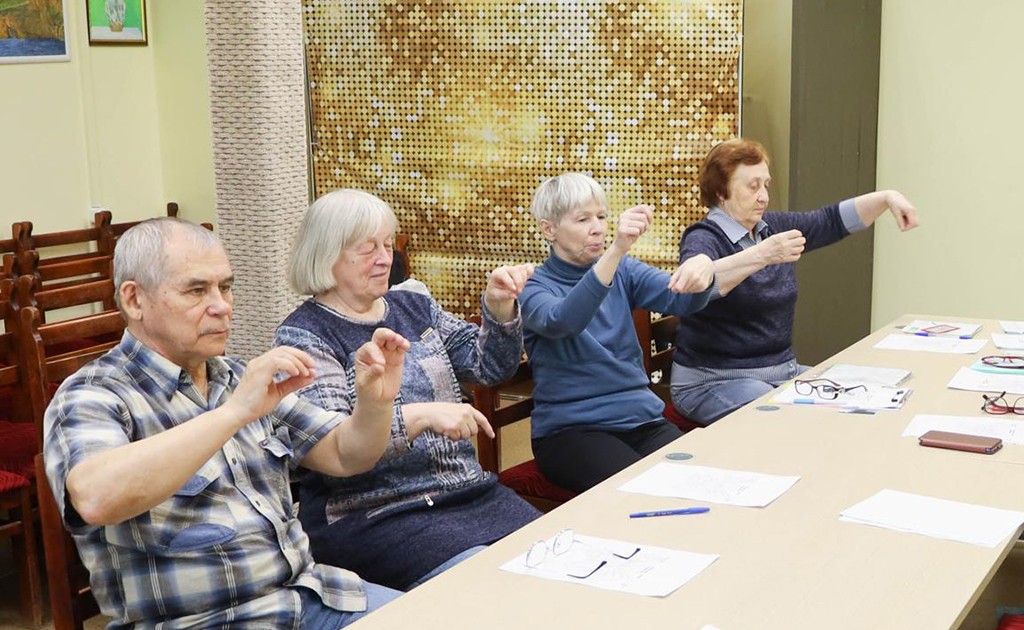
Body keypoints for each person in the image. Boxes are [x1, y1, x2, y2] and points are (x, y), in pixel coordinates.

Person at [43, 218, 410, 630]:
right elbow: (97, 497)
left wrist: (375, 404)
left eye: (226, 286)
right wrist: (235, 411)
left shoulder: (232, 375)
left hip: (306, 599)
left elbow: (345, 454)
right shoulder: (93, 397)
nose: (222, 306)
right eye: (197, 290)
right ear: (134, 299)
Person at [275, 189, 541, 591]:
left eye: (387, 245)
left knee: (556, 556)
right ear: (326, 253)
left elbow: (489, 368)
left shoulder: (412, 306)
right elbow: (333, 441)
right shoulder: (304, 335)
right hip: (376, 515)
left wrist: (499, 306)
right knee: (496, 587)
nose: (386, 259)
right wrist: (421, 417)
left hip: (465, 494)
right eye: (368, 249)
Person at [670, 138, 919, 425]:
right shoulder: (703, 237)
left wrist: (886, 198)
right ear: (721, 191)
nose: (763, 195)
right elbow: (698, 284)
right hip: (713, 382)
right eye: (753, 186)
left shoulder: (770, 229)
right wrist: (762, 255)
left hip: (783, 374)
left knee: (868, 403)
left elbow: (829, 222)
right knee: (792, 421)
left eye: (766, 184)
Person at [519, 172, 716, 493]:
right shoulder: (534, 286)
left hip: (641, 420)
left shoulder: (623, 270)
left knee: (704, 479)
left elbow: (682, 299)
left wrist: (704, 270)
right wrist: (617, 249)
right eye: (582, 219)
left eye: (601, 217)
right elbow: (564, 320)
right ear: (548, 229)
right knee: (644, 491)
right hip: (571, 432)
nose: (597, 227)